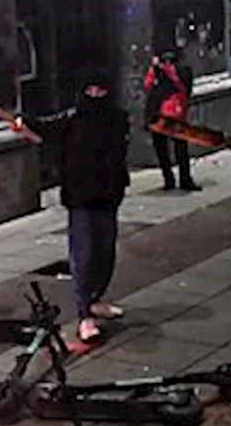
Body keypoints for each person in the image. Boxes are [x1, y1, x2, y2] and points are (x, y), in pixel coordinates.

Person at [59, 72, 131, 345]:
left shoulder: (117, 119)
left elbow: (117, 155)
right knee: (84, 256)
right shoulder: (73, 119)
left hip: (107, 196)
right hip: (81, 198)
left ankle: (95, 299)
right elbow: (47, 128)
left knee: (105, 253)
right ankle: (84, 313)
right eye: (91, 90)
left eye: (101, 90)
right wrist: (24, 124)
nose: (96, 95)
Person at [144, 51, 200, 191]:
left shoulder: (162, 70)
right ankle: (184, 179)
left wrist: (157, 70)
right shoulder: (182, 70)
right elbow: (187, 90)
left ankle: (169, 179)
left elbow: (148, 85)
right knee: (180, 148)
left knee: (163, 148)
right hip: (175, 114)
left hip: (160, 114)